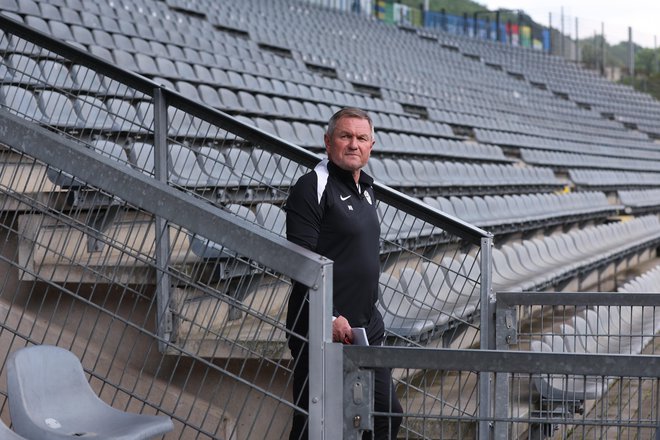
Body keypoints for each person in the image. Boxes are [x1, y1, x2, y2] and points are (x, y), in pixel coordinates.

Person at [285, 107, 403, 439]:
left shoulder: (367, 188)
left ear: (371, 145)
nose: (353, 144)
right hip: (321, 326)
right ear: (328, 141)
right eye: (345, 136)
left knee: (385, 415)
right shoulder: (312, 186)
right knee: (314, 423)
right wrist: (331, 316)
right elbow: (301, 259)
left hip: (365, 327)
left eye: (361, 138)